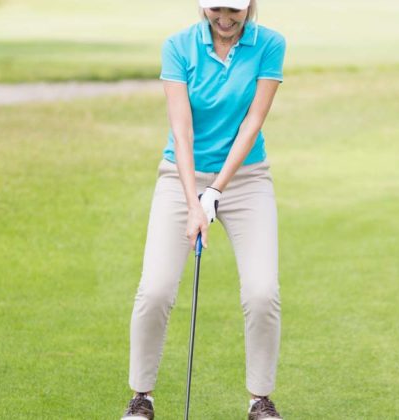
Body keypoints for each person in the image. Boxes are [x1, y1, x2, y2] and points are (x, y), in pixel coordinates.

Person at [121, 1, 285, 419]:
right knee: (155, 289)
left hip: (247, 177)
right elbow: (183, 131)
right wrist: (195, 196)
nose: (225, 19)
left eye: (234, 9)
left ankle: (260, 400)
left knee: (262, 292)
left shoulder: (270, 45)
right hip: (181, 175)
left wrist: (216, 190)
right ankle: (141, 397)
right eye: (216, 9)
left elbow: (252, 123)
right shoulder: (178, 47)